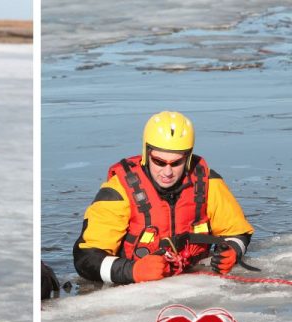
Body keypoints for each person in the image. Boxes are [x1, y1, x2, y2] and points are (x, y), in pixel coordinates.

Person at [74, 111, 253, 284]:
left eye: (176, 163)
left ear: (188, 158)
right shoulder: (118, 191)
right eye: (159, 162)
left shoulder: (209, 183)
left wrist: (233, 250)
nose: (167, 172)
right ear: (146, 153)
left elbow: (237, 231)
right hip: (133, 289)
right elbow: (86, 258)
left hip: (195, 284)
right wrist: (132, 271)